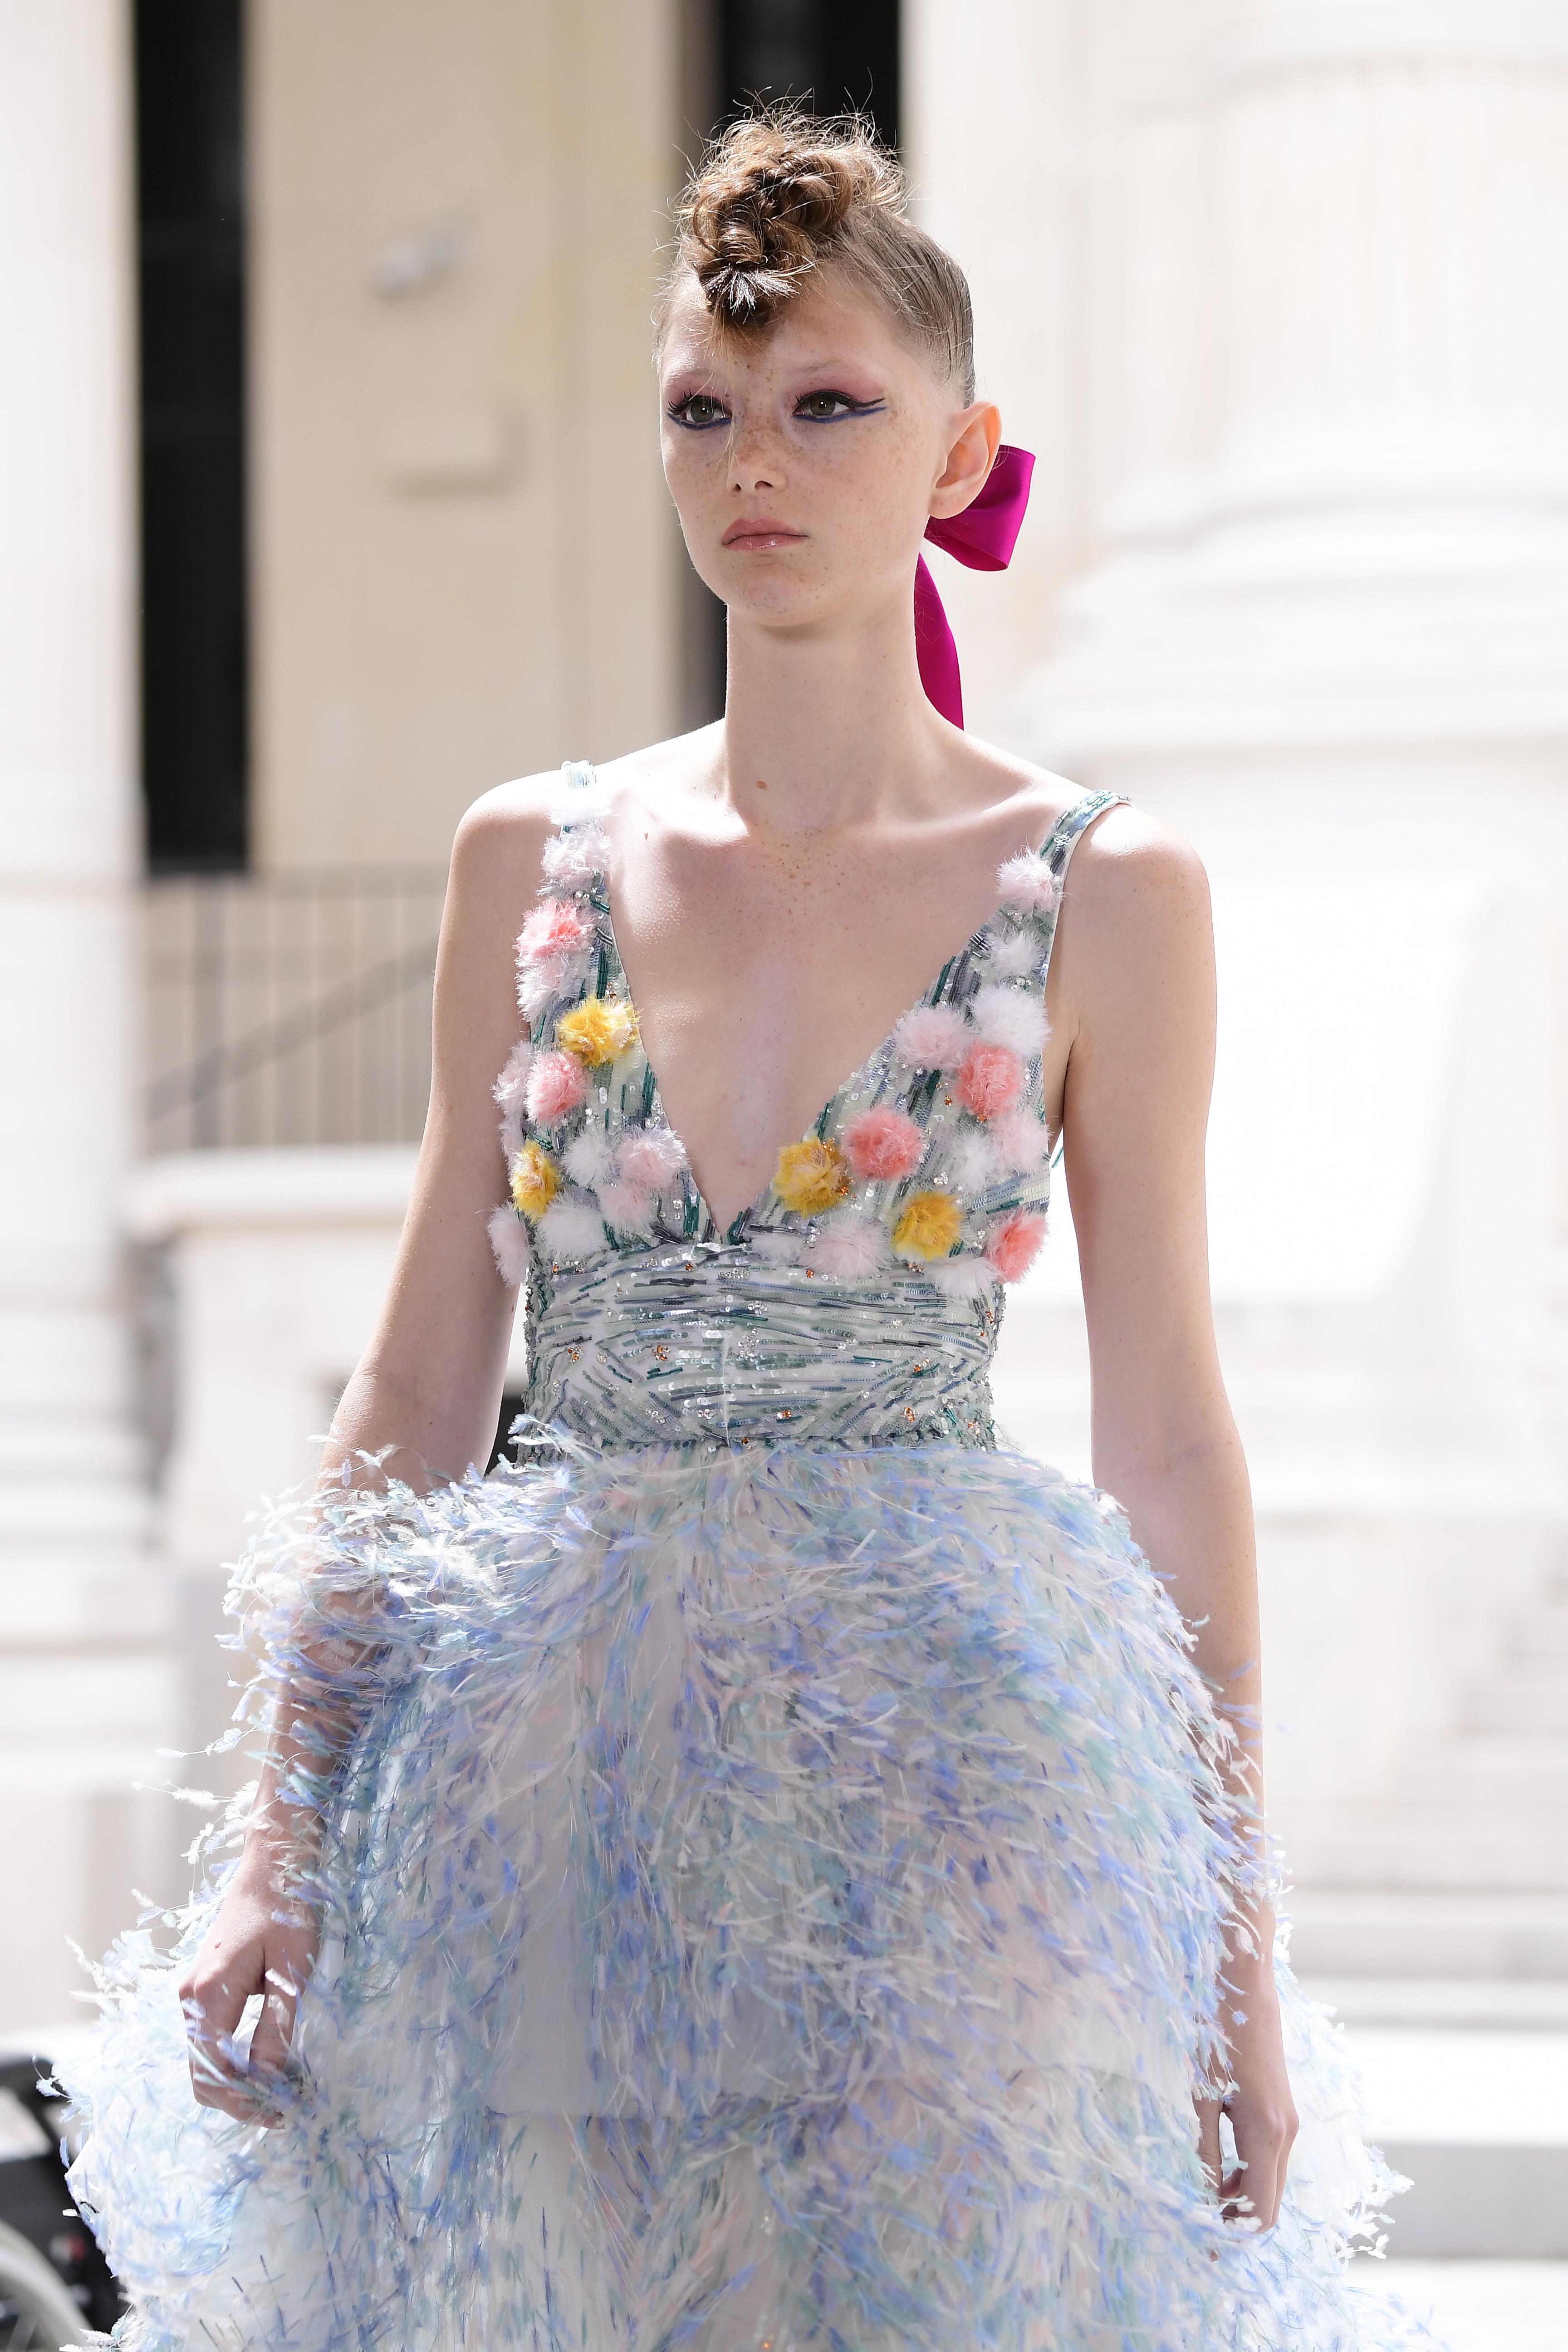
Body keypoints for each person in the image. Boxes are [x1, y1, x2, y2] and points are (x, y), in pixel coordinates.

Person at [64, 114, 1431, 2352]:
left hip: (955, 1776)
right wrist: (272, 1847)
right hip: (542, 1765)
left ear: (960, 451)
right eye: (705, 408)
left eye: (827, 407)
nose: (755, 466)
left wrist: (1236, 1963)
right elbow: (415, 1383)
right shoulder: (532, 853)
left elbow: (1172, 1430)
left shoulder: (1108, 890)